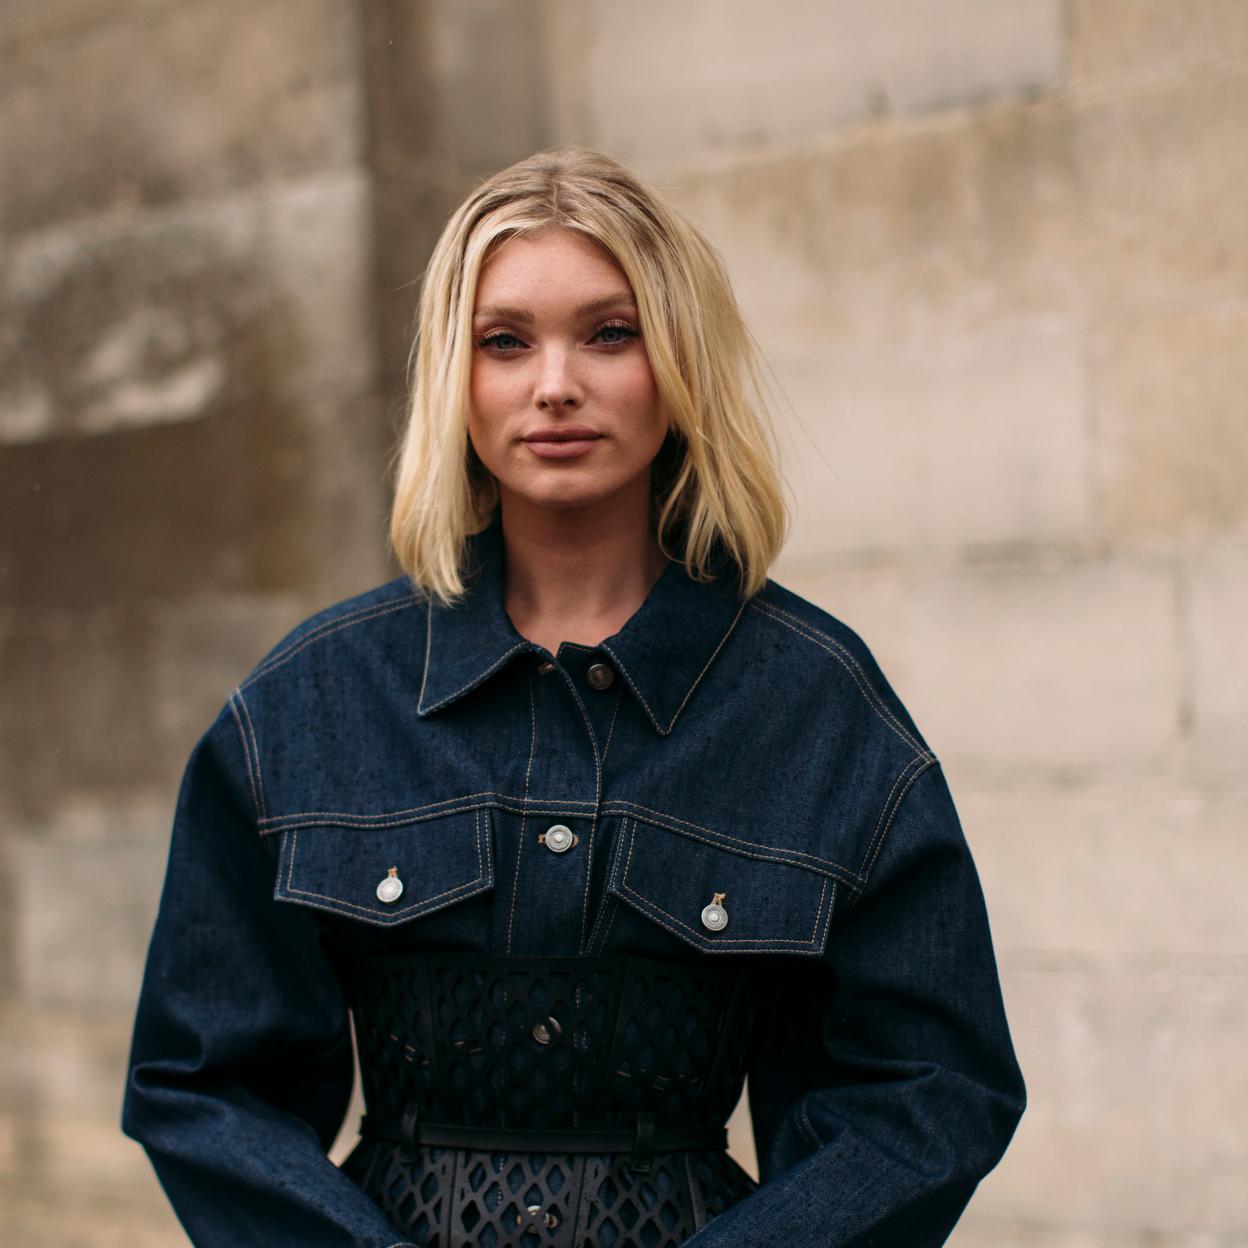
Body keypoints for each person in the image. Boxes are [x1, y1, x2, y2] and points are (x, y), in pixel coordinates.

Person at [121, 146, 1025, 1247]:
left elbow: (932, 1092)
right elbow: (202, 1085)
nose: (555, 384)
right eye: (505, 341)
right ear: (456, 376)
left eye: (610, 333)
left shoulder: (816, 706)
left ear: (679, 363)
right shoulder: (312, 699)